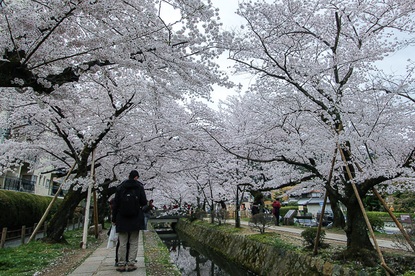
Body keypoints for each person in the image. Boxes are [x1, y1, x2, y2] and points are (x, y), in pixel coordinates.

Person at [111, 170, 147, 272]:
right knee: (134, 242)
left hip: (122, 218)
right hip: (135, 218)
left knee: (122, 242)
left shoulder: (120, 187)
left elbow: (115, 205)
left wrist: (114, 219)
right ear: (136, 177)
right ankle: (131, 264)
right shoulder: (139, 187)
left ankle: (121, 264)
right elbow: (144, 202)